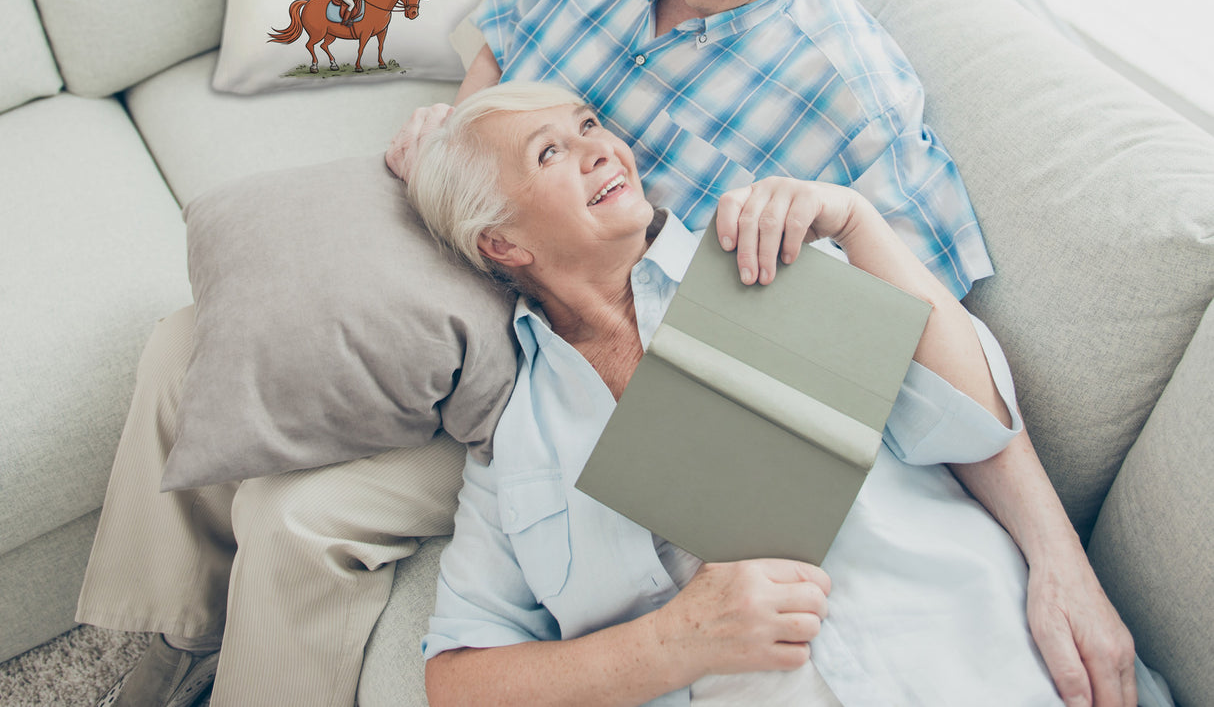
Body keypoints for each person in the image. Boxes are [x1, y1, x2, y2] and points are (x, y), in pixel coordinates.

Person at [80, 0, 1131, 707]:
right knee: (192, 339)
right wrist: (457, 136)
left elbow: (926, 347)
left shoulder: (853, 101)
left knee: (299, 516)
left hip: (576, 346)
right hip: (485, 239)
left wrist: (1057, 556)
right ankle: (155, 644)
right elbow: (499, 53)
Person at [407, 82, 1161, 707]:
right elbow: (458, 680)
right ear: (502, 243)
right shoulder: (516, 444)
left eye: (589, 125)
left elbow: (973, 422)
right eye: (550, 152)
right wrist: (672, 643)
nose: (601, 148)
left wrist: (859, 224)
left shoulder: (762, 255)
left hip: (986, 660)